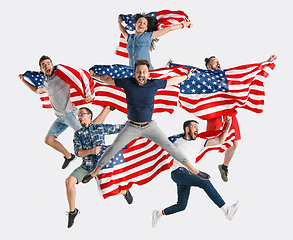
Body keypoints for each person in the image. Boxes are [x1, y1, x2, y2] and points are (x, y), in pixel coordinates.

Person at [82, 59, 210, 184]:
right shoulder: (127, 82)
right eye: (138, 71)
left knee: (170, 147)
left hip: (150, 127)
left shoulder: (153, 84)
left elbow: (171, 81)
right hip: (131, 126)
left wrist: (186, 77)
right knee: (113, 148)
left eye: (144, 71)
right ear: (134, 73)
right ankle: (95, 171)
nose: (141, 74)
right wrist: (93, 75)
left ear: (148, 74)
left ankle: (193, 169)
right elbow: (107, 79)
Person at [151, 117, 240, 228]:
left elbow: (220, 140)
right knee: (205, 182)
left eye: (198, 127)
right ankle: (226, 210)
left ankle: (158, 214)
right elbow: (158, 144)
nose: (197, 129)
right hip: (178, 173)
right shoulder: (176, 140)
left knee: (181, 206)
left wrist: (229, 124)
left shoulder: (199, 141)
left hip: (187, 175)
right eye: (194, 126)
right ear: (187, 129)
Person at [204, 55, 277, 182]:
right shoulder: (204, 77)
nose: (217, 62)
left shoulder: (227, 75)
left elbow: (247, 70)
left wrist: (266, 62)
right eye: (214, 62)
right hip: (215, 112)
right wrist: (173, 67)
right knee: (208, 141)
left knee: (234, 143)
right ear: (209, 66)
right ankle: (189, 162)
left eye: (218, 61)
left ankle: (224, 167)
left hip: (229, 113)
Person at [19, 55, 93, 169]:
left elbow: (79, 74)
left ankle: (96, 160)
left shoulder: (61, 76)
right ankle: (69, 157)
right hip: (60, 117)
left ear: (52, 65)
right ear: (41, 69)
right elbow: (36, 90)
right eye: (43, 65)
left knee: (86, 136)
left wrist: (88, 93)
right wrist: (23, 80)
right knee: (48, 140)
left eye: (48, 63)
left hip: (70, 114)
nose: (46, 65)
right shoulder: (46, 83)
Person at [66, 106, 133, 228]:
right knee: (69, 181)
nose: (79, 117)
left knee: (108, 191)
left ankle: (124, 191)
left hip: (101, 166)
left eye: (81, 114)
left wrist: (135, 122)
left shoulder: (100, 127)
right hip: (86, 167)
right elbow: (78, 152)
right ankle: (72, 212)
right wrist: (92, 151)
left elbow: (119, 128)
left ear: (89, 115)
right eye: (78, 115)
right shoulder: (78, 134)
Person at [118, 13, 193, 70]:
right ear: (135, 25)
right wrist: (119, 22)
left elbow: (169, 29)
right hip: (132, 71)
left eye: (144, 23)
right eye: (139, 22)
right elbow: (122, 30)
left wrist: (183, 25)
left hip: (147, 71)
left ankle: (168, 67)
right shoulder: (129, 37)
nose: (141, 24)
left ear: (146, 28)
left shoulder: (149, 36)